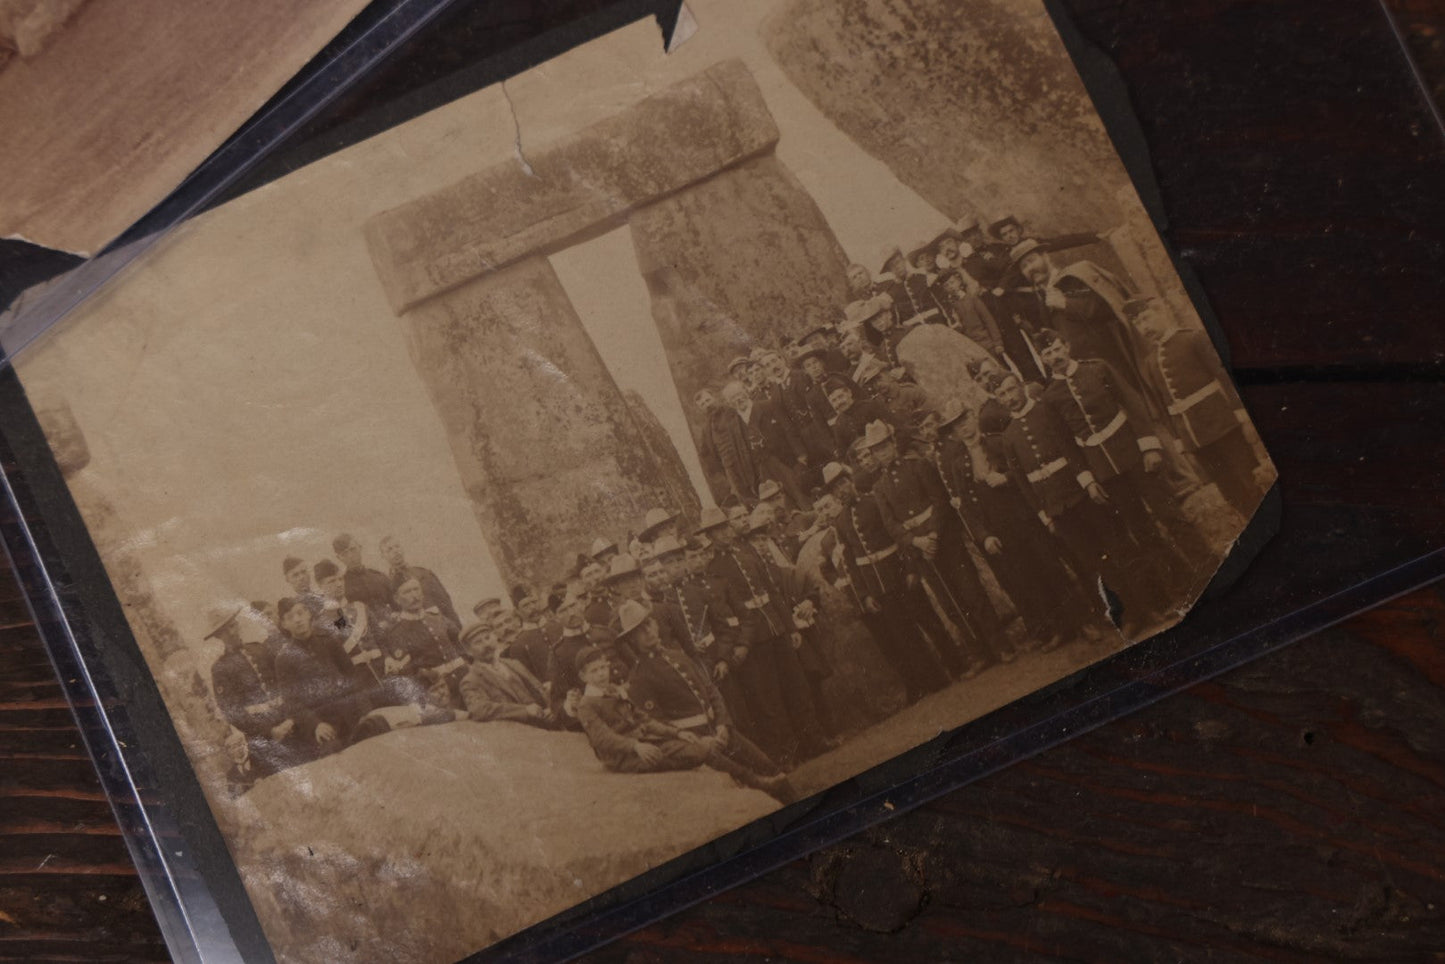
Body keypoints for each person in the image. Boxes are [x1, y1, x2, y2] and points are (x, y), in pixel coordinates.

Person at [1036, 328, 1213, 603]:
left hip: (1136, 456)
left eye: (1057, 348)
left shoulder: (1097, 369)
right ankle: (1184, 585)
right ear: (1043, 360)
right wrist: (1088, 480)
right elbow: (1066, 443)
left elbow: (1133, 403)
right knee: (1142, 530)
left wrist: (1149, 446)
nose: (1054, 356)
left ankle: (1209, 570)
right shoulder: (1050, 398)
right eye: (1047, 353)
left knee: (1170, 514)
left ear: (1067, 346)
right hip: (1106, 474)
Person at [936, 400, 1108, 651]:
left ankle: (1082, 622)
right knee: (1030, 579)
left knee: (1052, 569)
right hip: (1000, 531)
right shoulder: (958, 463)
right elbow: (967, 508)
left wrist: (1005, 478)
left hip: (1025, 520)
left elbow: (1025, 476)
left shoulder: (998, 442)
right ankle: (1061, 629)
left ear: (973, 417)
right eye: (956, 427)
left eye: (964, 421)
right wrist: (984, 536)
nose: (963, 429)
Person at [864, 419, 1006, 673]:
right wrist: (915, 541)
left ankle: (1000, 646)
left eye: (885, 446)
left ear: (893, 444)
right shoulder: (879, 487)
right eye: (877, 450)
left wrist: (932, 535)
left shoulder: (918, 465)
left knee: (971, 590)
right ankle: (978, 653)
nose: (882, 452)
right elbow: (891, 525)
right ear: (873, 455)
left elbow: (940, 500)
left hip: (944, 538)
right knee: (950, 602)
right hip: (920, 550)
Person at [572, 647, 795, 804]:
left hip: (644, 744)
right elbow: (602, 739)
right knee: (702, 749)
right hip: (626, 756)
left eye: (603, 668)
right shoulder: (587, 705)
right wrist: (634, 746)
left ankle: (753, 780)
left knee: (694, 742)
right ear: (583, 676)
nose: (601, 674)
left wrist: (677, 732)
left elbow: (645, 720)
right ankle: (755, 781)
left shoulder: (613, 692)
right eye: (594, 671)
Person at [703, 504, 829, 765]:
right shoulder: (713, 568)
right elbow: (724, 612)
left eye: (725, 527)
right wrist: (742, 641)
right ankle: (790, 754)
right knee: (770, 699)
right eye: (717, 531)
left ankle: (815, 742)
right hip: (753, 639)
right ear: (710, 537)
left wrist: (790, 628)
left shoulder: (746, 551)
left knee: (797, 687)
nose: (724, 534)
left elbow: (770, 590)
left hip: (776, 626)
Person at [822, 462, 952, 701]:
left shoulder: (874, 501)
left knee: (928, 620)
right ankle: (932, 679)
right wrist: (865, 595)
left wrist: (912, 568)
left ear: (851, 482)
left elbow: (897, 534)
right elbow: (851, 563)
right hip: (878, 586)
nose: (841, 490)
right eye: (835, 489)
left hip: (900, 572)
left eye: (843, 483)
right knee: (905, 635)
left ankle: (957, 665)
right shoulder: (840, 522)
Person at [618, 599, 786, 779]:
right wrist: (698, 743)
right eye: (639, 631)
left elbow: (710, 690)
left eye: (648, 624)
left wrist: (722, 723)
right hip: (698, 744)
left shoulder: (677, 655)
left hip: (721, 731)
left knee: (770, 768)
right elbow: (657, 725)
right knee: (748, 779)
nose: (648, 632)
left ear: (656, 624)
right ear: (632, 639)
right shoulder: (639, 678)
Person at [1131, 300, 1265, 518]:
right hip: (1195, 438)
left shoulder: (1192, 338)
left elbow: (1225, 376)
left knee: (1248, 480)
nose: (1144, 327)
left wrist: (1241, 413)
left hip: (1223, 426)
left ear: (1161, 313)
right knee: (1228, 490)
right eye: (1138, 323)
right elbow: (1164, 407)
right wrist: (1178, 439)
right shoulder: (1150, 362)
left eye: (1146, 318)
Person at [207, 606, 308, 777]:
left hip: (292, 722)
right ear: (219, 636)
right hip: (264, 737)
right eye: (228, 629)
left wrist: (291, 718)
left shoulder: (259, 649)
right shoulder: (220, 669)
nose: (234, 630)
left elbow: (286, 684)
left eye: (234, 625)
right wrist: (270, 732)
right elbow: (233, 712)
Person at [272, 596, 373, 752]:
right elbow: (292, 703)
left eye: (300, 613)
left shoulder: (327, 640)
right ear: (284, 624)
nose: (298, 619)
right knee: (333, 750)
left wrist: (364, 710)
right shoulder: (284, 658)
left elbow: (351, 675)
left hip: (350, 711)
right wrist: (316, 725)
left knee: (376, 731)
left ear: (308, 614)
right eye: (290, 617)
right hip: (324, 723)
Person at [382, 577, 469, 708]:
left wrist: (465, 662)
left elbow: (460, 641)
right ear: (396, 599)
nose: (414, 595)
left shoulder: (436, 617)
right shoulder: (396, 631)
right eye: (407, 592)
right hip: (439, 690)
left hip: (465, 678)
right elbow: (407, 671)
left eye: (416, 589)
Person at [459, 623, 560, 728]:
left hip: (548, 724)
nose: (486, 644)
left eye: (487, 638)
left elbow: (539, 689)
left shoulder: (514, 663)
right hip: (520, 734)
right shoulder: (471, 681)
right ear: (469, 651)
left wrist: (551, 708)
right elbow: (479, 710)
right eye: (478, 642)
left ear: (495, 638)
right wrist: (523, 711)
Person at [312, 559, 386, 685]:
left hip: (383, 668)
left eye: (340, 579)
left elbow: (381, 638)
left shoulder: (360, 607)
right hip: (358, 679)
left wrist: (389, 658)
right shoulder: (320, 623)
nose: (339, 584)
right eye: (332, 581)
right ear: (320, 586)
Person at [379, 535, 460, 629]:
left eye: (397, 546)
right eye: (389, 550)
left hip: (442, 626)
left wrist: (457, 628)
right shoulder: (388, 584)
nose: (396, 551)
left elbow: (445, 603)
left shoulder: (424, 573)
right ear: (383, 556)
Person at [332, 533, 395, 619]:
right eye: (344, 553)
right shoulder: (342, 586)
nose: (350, 556)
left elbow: (397, 606)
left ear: (360, 548)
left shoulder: (379, 576)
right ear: (339, 558)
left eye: (353, 549)